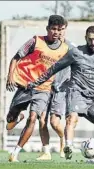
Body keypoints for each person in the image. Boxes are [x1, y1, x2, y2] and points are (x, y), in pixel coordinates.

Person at [26, 25, 94, 165]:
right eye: (90, 39)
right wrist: (35, 82)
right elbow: (53, 69)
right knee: (72, 119)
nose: (93, 42)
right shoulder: (75, 53)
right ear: (85, 39)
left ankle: (93, 156)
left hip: (93, 99)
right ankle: (68, 146)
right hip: (76, 93)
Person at [6, 15, 70, 162]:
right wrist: (10, 76)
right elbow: (16, 58)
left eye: (60, 30)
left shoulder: (66, 48)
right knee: (9, 122)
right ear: (47, 29)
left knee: (34, 118)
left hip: (44, 89)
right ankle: (16, 117)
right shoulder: (36, 41)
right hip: (25, 85)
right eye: (53, 29)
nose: (56, 32)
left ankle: (15, 153)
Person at [37, 29, 76, 160]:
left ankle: (62, 139)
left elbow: (80, 66)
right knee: (41, 120)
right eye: (56, 29)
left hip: (61, 89)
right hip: (45, 87)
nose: (58, 33)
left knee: (54, 122)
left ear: (64, 31)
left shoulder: (71, 48)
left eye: (61, 30)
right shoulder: (46, 47)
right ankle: (46, 152)